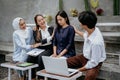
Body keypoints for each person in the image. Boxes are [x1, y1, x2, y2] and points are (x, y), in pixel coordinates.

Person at [67, 11, 106, 80]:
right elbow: (85, 35)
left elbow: (93, 62)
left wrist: (79, 69)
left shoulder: (96, 42)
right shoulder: (92, 29)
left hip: (95, 62)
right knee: (65, 62)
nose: (80, 24)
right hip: (84, 57)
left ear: (85, 25)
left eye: (81, 23)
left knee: (90, 76)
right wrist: (76, 31)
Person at [27, 14, 54, 80]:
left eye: (42, 19)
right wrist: (50, 37)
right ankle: (32, 77)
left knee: (41, 57)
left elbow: (51, 41)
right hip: (39, 49)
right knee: (30, 57)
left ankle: (40, 77)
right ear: (37, 23)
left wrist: (49, 39)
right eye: (39, 21)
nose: (42, 21)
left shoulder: (50, 28)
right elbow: (38, 41)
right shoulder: (36, 30)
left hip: (49, 48)